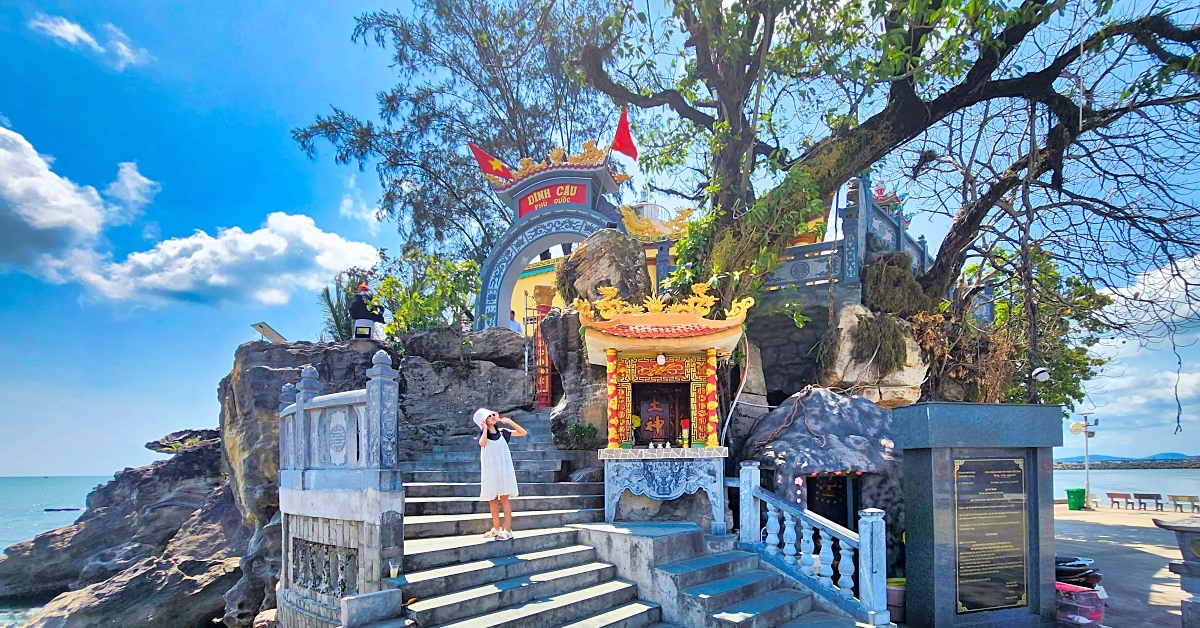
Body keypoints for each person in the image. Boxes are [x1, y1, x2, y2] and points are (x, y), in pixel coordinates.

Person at [473, 408, 526, 540]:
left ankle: (508, 530)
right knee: (493, 500)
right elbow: (483, 443)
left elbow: (522, 432)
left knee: (504, 498)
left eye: (492, 415)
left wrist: (509, 422)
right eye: (488, 416)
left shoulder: (503, 432)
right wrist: (484, 428)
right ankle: (496, 528)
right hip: (491, 470)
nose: (491, 417)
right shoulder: (482, 434)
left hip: (503, 469)